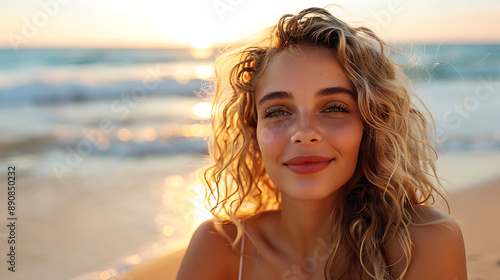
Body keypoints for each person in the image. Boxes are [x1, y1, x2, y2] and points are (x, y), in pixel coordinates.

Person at [176, 7, 467, 280]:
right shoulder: (218, 246)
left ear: (371, 125)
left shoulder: (424, 242)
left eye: (334, 108)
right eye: (277, 111)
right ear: (254, 134)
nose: (304, 133)